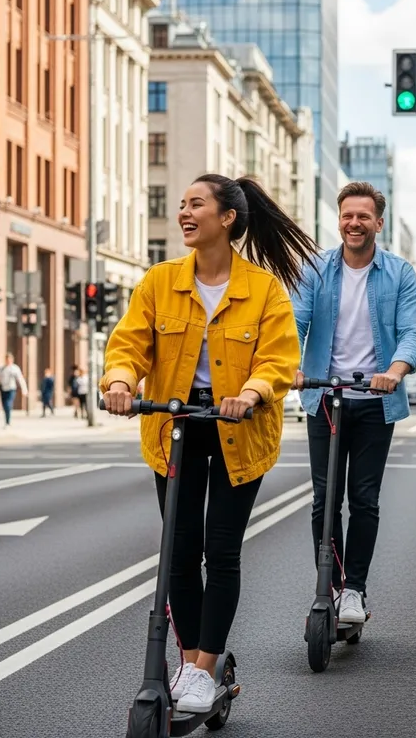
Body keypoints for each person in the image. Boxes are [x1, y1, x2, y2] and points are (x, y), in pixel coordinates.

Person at [100, 174, 317, 713]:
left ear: (227, 218)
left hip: (237, 429)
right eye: (181, 205)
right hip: (174, 425)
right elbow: (130, 343)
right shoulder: (158, 281)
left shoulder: (263, 288)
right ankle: (190, 659)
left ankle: (203, 667)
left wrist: (251, 392)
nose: (184, 213)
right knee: (178, 553)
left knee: (220, 552)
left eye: (196, 204)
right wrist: (122, 382)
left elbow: (279, 359)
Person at [291, 181, 416, 623]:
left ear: (378, 224)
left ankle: (354, 590)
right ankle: (329, 585)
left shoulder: (399, 272)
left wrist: (395, 372)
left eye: (363, 216)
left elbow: (411, 331)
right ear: (339, 219)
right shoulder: (316, 268)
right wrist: (289, 364)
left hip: (374, 399)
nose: (354, 223)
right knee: (324, 499)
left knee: (364, 498)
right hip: (324, 396)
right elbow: (295, 319)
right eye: (347, 215)